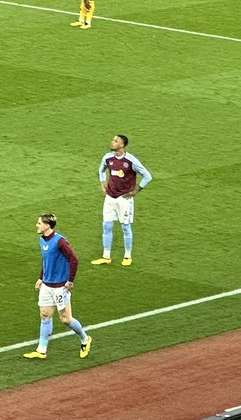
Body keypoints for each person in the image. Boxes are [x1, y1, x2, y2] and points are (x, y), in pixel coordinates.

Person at [22, 212, 93, 360]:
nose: (37, 225)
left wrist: (70, 280)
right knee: (45, 315)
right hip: (47, 286)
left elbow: (74, 259)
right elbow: (46, 260)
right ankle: (41, 350)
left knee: (66, 319)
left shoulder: (60, 242)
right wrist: (41, 278)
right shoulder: (42, 240)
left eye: (39, 223)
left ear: (47, 226)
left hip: (60, 287)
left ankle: (85, 339)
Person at [91, 134, 152, 267]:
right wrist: (103, 184)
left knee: (125, 226)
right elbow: (101, 170)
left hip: (124, 199)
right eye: (113, 140)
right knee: (106, 225)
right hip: (110, 197)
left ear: (122, 145)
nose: (112, 142)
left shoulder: (131, 161)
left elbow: (147, 176)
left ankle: (127, 256)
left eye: (115, 141)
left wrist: (137, 190)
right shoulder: (108, 157)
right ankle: (106, 256)